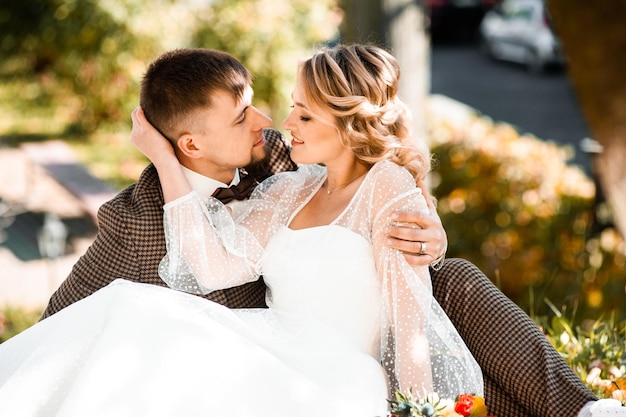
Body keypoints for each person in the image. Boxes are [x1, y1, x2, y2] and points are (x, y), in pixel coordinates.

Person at [32, 47, 608, 417]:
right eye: (243, 117)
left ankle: (580, 409)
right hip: (272, 354)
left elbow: (370, 170)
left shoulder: (278, 158)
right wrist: (161, 159)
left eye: (270, 108)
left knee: (451, 277)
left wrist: (426, 225)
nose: (271, 125)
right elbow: (67, 319)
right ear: (190, 145)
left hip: (364, 331)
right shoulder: (137, 221)